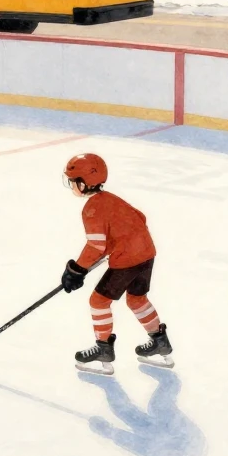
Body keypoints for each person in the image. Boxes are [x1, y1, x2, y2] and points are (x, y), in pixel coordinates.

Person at [60, 153, 173, 375]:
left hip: (128, 259)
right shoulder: (111, 198)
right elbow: (139, 218)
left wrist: (76, 270)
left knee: (98, 301)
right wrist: (116, 242)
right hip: (146, 253)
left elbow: (95, 246)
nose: (72, 186)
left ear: (83, 183)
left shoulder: (92, 208)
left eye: (72, 181)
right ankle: (161, 342)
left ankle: (103, 349)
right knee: (137, 299)